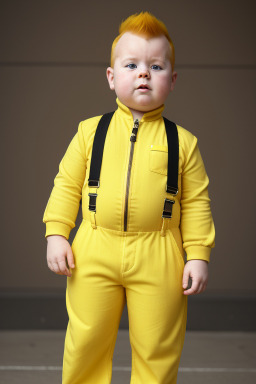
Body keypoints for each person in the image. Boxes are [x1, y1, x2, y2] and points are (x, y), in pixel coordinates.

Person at [43, 11, 215, 384]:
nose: (143, 74)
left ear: (172, 80)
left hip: (160, 252)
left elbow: (197, 203)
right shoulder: (90, 132)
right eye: (132, 64)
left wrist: (198, 254)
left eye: (155, 67)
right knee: (86, 339)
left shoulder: (184, 143)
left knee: (158, 345)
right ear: (111, 77)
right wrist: (57, 232)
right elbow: (66, 184)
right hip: (93, 247)